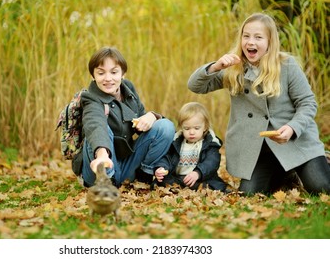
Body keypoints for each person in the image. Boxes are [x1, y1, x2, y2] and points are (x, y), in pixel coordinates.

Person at [187, 12, 330, 195]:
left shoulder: (287, 65)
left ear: (270, 41)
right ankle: (288, 174)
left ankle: (316, 162)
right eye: (246, 36)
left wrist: (292, 128)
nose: (250, 42)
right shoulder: (233, 69)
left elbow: (308, 103)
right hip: (258, 149)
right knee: (250, 194)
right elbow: (195, 86)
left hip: (294, 141)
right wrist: (216, 66)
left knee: (322, 187)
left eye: (258, 37)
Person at [80, 46, 175, 187]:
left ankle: (144, 176)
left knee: (165, 126)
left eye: (114, 72)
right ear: (93, 76)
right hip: (98, 168)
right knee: (102, 129)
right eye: (101, 73)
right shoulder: (90, 98)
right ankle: (107, 182)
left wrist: (151, 117)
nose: (108, 79)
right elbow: (95, 125)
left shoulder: (127, 89)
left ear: (122, 74)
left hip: (125, 164)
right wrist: (102, 155)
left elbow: (141, 122)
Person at [153, 102, 228, 192]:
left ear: (205, 127)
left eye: (196, 128)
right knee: (162, 181)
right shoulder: (176, 142)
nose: (191, 132)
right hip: (178, 178)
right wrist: (161, 167)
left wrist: (198, 173)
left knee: (208, 186)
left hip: (200, 178)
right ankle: (177, 188)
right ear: (181, 127)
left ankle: (199, 189)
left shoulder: (210, 144)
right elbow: (167, 157)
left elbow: (211, 162)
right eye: (187, 128)